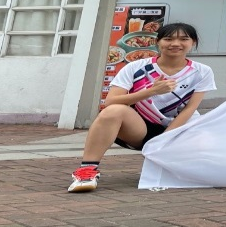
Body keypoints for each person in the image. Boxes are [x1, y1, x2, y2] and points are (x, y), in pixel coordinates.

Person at [67, 22, 216, 193]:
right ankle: (86, 171)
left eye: (183, 39)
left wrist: (164, 139)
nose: (175, 44)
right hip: (140, 128)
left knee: (210, 145)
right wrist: (151, 91)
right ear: (157, 42)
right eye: (168, 39)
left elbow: (189, 109)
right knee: (112, 111)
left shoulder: (202, 71)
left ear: (193, 43)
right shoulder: (135, 67)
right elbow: (111, 101)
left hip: (179, 130)